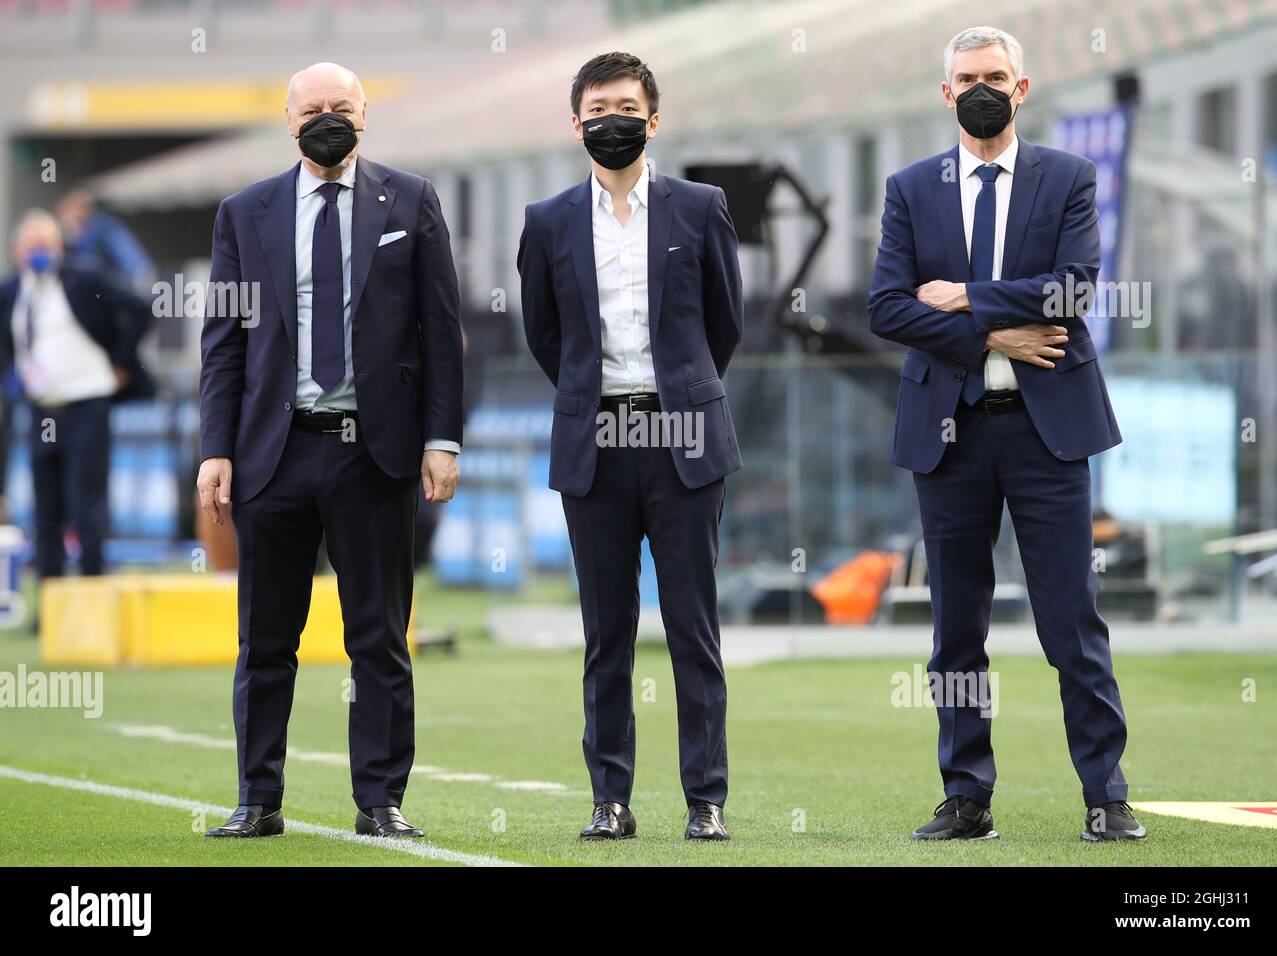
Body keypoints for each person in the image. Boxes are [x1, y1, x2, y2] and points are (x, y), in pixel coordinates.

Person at [867, 26, 1145, 842]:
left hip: (1046, 432)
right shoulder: (910, 187)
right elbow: (887, 306)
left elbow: (1074, 288)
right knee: (956, 629)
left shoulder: (1068, 177)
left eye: (995, 75)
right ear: (945, 92)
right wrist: (997, 333)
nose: (980, 87)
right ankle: (967, 796)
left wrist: (964, 298)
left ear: (1021, 88)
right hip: (949, 435)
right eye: (965, 77)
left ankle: (1106, 793)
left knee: (1071, 621)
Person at [196, 62, 463, 839]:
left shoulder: (409, 199)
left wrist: (441, 438)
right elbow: (223, 344)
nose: (326, 118)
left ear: (365, 114)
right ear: (287, 119)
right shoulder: (243, 213)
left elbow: (442, 333)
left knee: (378, 636)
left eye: (339, 107)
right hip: (271, 456)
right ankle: (257, 800)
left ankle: (380, 803)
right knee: (265, 639)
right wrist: (216, 449)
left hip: (372, 456)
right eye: (311, 109)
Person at [517, 52, 743, 841]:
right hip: (596, 442)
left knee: (693, 626)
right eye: (597, 106)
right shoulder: (546, 221)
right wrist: (594, 395)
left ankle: (705, 799)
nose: (612, 118)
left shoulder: (699, 206)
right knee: (606, 632)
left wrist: (678, 391)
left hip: (683, 438)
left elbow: (726, 324)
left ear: (654, 118)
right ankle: (609, 799)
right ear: (575, 122)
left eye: (627, 105)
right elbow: (544, 335)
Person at [0, 209, 153, 586]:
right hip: (42, 409)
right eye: (30, 245)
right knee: (45, 509)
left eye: (44, 244)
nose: (36, 252)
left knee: (86, 504)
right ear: (16, 250)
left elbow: (139, 308)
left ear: (57, 247)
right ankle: (51, 599)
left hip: (87, 404)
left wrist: (121, 362)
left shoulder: (82, 279)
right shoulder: (12, 291)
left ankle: (91, 590)